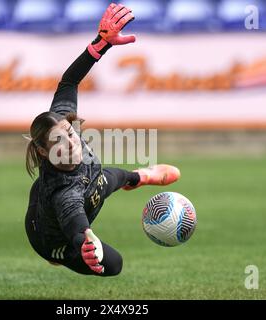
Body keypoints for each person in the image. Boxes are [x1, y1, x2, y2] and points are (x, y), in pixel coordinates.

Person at [24, 3, 181, 276]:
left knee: (106, 177)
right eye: (59, 142)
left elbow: (68, 82)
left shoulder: (61, 121)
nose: (70, 142)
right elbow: (74, 219)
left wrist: (101, 44)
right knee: (114, 264)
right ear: (43, 150)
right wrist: (84, 241)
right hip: (54, 239)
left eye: (70, 134)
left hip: (76, 186)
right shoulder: (65, 194)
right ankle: (58, 254)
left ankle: (141, 176)